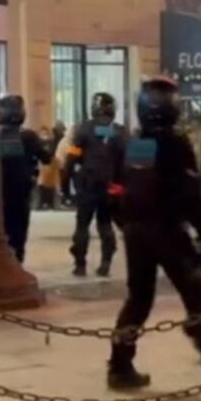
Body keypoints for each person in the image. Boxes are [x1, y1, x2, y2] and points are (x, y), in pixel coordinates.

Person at [107, 76, 201, 390]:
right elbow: (191, 193)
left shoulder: (133, 142)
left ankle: (119, 366)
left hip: (136, 231)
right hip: (168, 230)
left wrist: (126, 223)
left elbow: (115, 190)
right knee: (195, 294)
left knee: (138, 299)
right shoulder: (176, 144)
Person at [65, 92, 127, 277]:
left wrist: (65, 184)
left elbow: (72, 157)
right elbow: (126, 161)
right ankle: (105, 263)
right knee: (105, 224)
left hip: (87, 184)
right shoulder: (120, 132)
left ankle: (80, 265)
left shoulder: (84, 129)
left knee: (82, 225)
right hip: (111, 186)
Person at [0, 95, 52, 263]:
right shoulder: (28, 136)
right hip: (21, 188)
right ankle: (17, 260)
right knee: (19, 227)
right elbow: (46, 158)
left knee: (2, 225)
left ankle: (3, 260)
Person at [36, 127, 61, 211]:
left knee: (48, 184)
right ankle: (43, 203)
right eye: (43, 133)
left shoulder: (51, 143)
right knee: (43, 184)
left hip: (50, 165)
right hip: (43, 166)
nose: (44, 135)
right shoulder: (39, 143)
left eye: (46, 133)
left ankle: (48, 203)